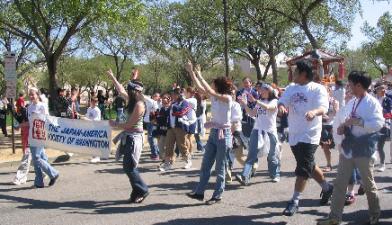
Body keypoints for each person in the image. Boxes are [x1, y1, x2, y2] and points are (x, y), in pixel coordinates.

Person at [317, 71, 384, 225]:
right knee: (340, 183)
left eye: (351, 84)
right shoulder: (352, 102)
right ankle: (334, 217)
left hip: (364, 150)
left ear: (359, 85)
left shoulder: (372, 103)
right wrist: (343, 127)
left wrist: (358, 122)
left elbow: (378, 124)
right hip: (348, 149)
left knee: (368, 184)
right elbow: (346, 120)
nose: (349, 86)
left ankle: (375, 214)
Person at [278, 61, 333, 216]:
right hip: (295, 133)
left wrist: (314, 112)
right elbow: (282, 100)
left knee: (302, 168)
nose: (293, 74)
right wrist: (281, 106)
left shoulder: (317, 88)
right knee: (308, 164)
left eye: (295, 72)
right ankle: (328, 188)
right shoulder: (291, 88)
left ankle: (294, 201)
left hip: (310, 134)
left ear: (303, 74)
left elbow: (324, 107)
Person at [185, 62, 233, 205]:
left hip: (224, 134)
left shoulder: (227, 98)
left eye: (213, 84)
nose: (210, 86)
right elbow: (200, 88)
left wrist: (199, 73)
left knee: (220, 167)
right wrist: (191, 72)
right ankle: (199, 192)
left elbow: (210, 91)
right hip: (213, 133)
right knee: (206, 164)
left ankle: (217, 195)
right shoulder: (214, 96)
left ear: (218, 86)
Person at [107, 69, 149, 203]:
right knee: (128, 166)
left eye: (129, 89)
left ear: (134, 91)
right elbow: (120, 90)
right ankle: (136, 191)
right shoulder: (131, 100)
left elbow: (130, 124)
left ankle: (142, 189)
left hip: (134, 138)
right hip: (128, 137)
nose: (126, 91)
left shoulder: (139, 105)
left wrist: (115, 124)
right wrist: (113, 77)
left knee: (129, 166)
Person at [236, 82, 281, 185]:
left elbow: (269, 108)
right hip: (257, 130)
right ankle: (245, 176)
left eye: (262, 90)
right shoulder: (260, 101)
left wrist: (256, 101)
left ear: (268, 91)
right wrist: (244, 104)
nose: (260, 91)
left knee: (272, 155)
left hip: (270, 132)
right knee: (251, 154)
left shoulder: (274, 101)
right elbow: (252, 113)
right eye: (260, 90)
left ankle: (275, 174)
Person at [28, 88, 59, 188]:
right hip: (32, 134)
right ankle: (39, 182)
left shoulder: (42, 106)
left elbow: (47, 119)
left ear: (37, 95)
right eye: (30, 94)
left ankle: (53, 173)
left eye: (33, 94)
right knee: (39, 158)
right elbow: (29, 121)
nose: (31, 96)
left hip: (40, 134)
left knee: (36, 158)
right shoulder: (29, 107)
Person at [159, 88, 194, 171]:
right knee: (168, 145)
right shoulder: (173, 103)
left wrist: (172, 106)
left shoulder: (185, 103)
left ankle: (188, 160)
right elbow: (168, 113)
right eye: (172, 94)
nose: (172, 96)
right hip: (171, 127)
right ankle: (168, 163)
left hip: (180, 127)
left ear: (179, 95)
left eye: (174, 94)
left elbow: (181, 112)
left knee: (182, 145)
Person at [320, 86, 339, 172]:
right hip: (323, 126)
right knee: (325, 146)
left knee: (339, 146)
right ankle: (329, 164)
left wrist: (335, 108)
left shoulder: (334, 101)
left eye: (326, 91)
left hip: (333, 125)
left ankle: (343, 164)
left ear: (329, 92)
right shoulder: (319, 102)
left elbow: (337, 114)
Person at [374, 83, 392, 172]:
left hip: (384, 125)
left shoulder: (388, 100)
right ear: (376, 90)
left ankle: (382, 163)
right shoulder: (373, 100)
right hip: (373, 125)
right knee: (372, 145)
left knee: (380, 146)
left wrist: (380, 110)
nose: (383, 90)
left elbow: (389, 112)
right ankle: (371, 161)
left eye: (383, 88)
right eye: (380, 88)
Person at [12, 103, 31, 185]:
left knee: (25, 161)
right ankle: (49, 172)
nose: (24, 112)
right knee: (38, 161)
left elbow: (29, 123)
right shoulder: (22, 119)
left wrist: (20, 124)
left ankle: (19, 178)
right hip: (25, 143)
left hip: (30, 143)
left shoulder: (32, 119)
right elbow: (16, 127)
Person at [84, 97, 102, 163]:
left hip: (96, 127)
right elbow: (87, 116)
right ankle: (94, 156)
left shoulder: (97, 110)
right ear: (91, 102)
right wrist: (83, 117)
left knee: (96, 142)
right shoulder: (89, 109)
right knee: (91, 142)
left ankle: (98, 157)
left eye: (95, 102)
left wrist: (87, 119)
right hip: (90, 127)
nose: (94, 103)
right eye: (93, 101)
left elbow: (97, 120)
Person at [154, 93, 172, 160]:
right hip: (162, 130)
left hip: (170, 130)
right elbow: (159, 119)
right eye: (162, 98)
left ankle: (169, 159)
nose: (163, 99)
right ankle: (164, 159)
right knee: (161, 145)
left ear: (169, 99)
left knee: (169, 146)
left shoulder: (172, 108)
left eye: (165, 98)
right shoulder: (161, 108)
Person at [144, 92, 161, 160]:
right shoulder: (152, 102)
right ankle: (156, 152)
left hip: (152, 122)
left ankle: (155, 154)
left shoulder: (155, 103)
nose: (155, 97)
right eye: (154, 96)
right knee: (151, 137)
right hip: (149, 122)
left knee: (151, 137)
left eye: (157, 96)